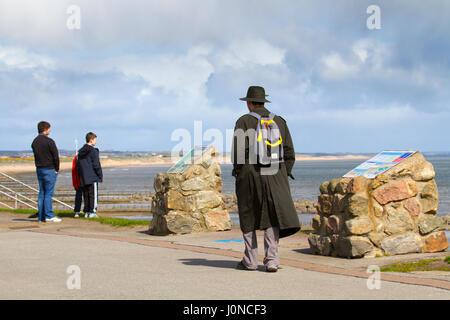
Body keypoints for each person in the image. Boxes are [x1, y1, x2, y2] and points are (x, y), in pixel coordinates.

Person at [232, 86, 300, 272]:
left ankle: (250, 261)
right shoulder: (279, 121)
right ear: (264, 101)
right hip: (275, 173)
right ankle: (272, 261)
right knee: (272, 216)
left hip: (250, 173)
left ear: (249, 103)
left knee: (248, 215)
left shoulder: (244, 121)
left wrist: (239, 172)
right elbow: (289, 152)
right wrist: (283, 173)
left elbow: (238, 153)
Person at [31, 121, 62, 222]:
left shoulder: (35, 142)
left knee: (42, 193)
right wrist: (57, 169)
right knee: (48, 193)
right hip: (49, 169)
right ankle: (49, 215)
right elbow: (56, 156)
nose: (50, 130)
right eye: (49, 129)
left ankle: (41, 216)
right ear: (45, 129)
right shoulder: (50, 141)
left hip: (39, 169)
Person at [76, 132, 103, 218]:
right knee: (92, 195)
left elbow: (78, 165)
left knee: (86, 194)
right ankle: (91, 211)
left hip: (83, 177)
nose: (96, 142)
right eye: (95, 140)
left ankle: (86, 211)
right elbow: (96, 165)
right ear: (91, 140)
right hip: (92, 176)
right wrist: (100, 175)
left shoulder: (80, 152)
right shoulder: (93, 151)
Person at [71, 153, 86, 218]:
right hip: (80, 181)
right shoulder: (77, 158)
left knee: (81, 196)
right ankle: (78, 211)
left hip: (81, 180)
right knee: (80, 197)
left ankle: (80, 212)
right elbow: (74, 171)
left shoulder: (76, 157)